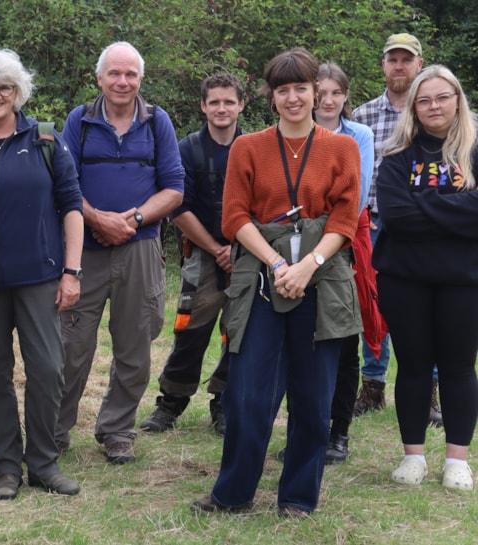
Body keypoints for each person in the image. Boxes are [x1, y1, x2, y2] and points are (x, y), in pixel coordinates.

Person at [191, 47, 360, 517]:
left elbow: (346, 218)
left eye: (301, 88)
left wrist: (307, 266)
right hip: (261, 279)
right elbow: (234, 216)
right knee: (246, 392)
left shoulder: (341, 148)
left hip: (321, 280)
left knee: (313, 394)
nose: (293, 98)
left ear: (317, 93)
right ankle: (233, 494)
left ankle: (299, 499)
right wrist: (275, 264)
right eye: (283, 89)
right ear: (271, 96)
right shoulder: (248, 147)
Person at [0, 49, 84, 500]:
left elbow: (71, 205)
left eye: (5, 87)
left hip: (40, 278)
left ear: (18, 92)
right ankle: (7, 467)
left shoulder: (46, 139)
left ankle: (44, 464)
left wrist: (71, 271)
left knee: (48, 369)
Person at [54, 41, 184, 465]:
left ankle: (117, 431)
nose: (122, 81)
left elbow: (175, 188)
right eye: (114, 73)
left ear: (140, 80)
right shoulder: (79, 122)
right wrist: (97, 220)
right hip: (83, 252)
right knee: (70, 345)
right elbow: (64, 183)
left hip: (141, 249)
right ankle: (54, 431)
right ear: (99, 79)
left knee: (135, 348)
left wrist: (134, 219)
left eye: (130, 74)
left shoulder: (158, 122)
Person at [373, 65, 478, 491]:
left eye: (442, 97)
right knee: (413, 367)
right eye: (425, 99)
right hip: (405, 278)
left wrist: (424, 202)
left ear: (457, 100)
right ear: (413, 107)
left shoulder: (474, 152)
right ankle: (412, 456)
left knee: (458, 367)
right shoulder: (398, 156)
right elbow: (396, 216)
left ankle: (458, 460)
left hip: (464, 280)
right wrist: (459, 209)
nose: (434, 106)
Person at [139, 73, 245, 436]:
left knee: (240, 333)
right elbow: (177, 207)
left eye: (228, 101)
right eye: (214, 101)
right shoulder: (188, 148)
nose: (221, 108)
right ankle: (170, 403)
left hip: (248, 255)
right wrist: (216, 248)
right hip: (202, 254)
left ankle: (226, 404)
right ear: (203, 105)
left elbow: (265, 205)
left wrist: (238, 247)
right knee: (190, 331)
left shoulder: (256, 146)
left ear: (241, 105)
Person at [352, 33, 435, 421]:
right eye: (392, 59)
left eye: (406, 59)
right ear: (383, 65)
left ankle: (430, 391)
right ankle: (373, 386)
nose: (399, 66)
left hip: (423, 226)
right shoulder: (363, 116)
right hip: (372, 222)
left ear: (419, 65)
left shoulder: (432, 113)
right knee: (374, 303)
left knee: (426, 304)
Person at [314, 62, 376, 464]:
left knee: (343, 339)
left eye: (336, 93)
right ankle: (308, 428)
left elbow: (358, 195)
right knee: (304, 342)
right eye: (321, 92)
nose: (328, 100)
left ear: (346, 96)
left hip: (345, 245)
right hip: (295, 246)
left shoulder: (360, 136)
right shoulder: (298, 134)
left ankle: (339, 433)